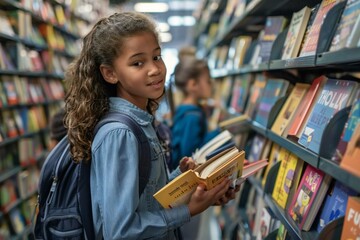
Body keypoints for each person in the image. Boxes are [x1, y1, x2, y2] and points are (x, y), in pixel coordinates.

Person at [63, 11, 238, 239]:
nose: (154, 69)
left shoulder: (142, 120)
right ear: (110, 73)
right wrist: (189, 210)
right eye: (137, 63)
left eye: (156, 57)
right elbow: (120, 231)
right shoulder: (120, 133)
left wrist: (182, 179)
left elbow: (145, 199)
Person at [170, 58, 223, 240]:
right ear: (193, 85)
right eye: (208, 81)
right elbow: (190, 153)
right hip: (187, 190)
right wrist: (217, 133)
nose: (211, 85)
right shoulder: (192, 115)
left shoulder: (187, 108)